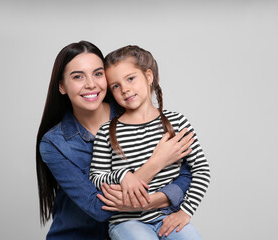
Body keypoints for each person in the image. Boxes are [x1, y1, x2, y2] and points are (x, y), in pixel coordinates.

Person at [36, 41, 195, 239]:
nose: (91, 84)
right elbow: (99, 207)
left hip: (145, 227)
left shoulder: (132, 108)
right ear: (62, 86)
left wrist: (156, 200)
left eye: (98, 73)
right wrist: (156, 162)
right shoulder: (54, 144)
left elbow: (185, 172)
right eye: (78, 76)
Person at [89, 45, 211, 240]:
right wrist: (123, 176)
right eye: (116, 86)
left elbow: (201, 170)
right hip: (127, 221)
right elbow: (96, 176)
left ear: (148, 76)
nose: (125, 89)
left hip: (167, 215)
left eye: (130, 78)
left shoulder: (177, 122)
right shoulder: (107, 131)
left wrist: (185, 212)